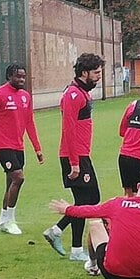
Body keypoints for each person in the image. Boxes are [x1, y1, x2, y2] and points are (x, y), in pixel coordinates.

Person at [43, 53, 104, 261]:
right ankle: (61, 235)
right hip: (74, 156)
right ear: (84, 72)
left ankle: (69, 243)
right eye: (96, 73)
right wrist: (75, 162)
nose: (99, 76)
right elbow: (68, 130)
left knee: (85, 201)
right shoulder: (73, 95)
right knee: (90, 200)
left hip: (82, 154)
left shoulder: (83, 93)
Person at [0, 63, 44, 235]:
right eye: (18, 76)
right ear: (9, 76)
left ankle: (2, 221)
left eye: (24, 77)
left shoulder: (25, 96)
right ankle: (10, 220)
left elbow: (29, 123)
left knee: (11, 183)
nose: (21, 80)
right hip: (3, 146)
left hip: (18, 146)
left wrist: (37, 149)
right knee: (19, 178)